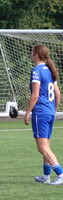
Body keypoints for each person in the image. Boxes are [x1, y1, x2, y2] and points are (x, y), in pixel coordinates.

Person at [25, 44, 63, 185]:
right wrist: (53, 110)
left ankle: (60, 174)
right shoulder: (50, 70)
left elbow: (35, 95)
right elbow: (58, 94)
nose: (30, 54)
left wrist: (28, 112)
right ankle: (46, 176)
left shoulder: (37, 71)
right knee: (46, 145)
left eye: (31, 52)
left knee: (42, 147)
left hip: (40, 112)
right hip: (50, 112)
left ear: (36, 54)